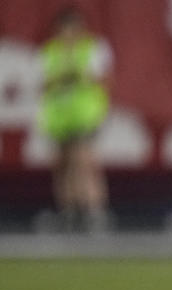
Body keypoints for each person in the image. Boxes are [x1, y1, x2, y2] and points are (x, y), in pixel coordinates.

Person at [38, 6, 113, 232]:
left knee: (83, 161)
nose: (68, 33)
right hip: (59, 117)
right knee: (62, 164)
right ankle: (69, 211)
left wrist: (75, 75)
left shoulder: (93, 49)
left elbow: (103, 80)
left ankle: (93, 210)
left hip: (85, 115)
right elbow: (43, 84)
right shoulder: (50, 52)